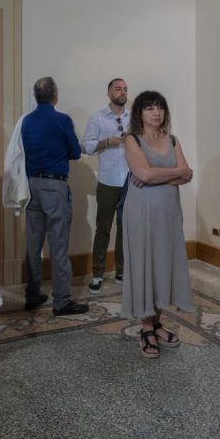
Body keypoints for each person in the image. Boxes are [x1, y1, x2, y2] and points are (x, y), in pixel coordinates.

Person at [120, 91, 193, 358]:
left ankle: (157, 322)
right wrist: (174, 173)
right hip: (141, 212)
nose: (156, 112)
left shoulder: (172, 140)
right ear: (139, 113)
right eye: (149, 108)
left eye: (160, 107)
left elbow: (186, 175)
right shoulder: (132, 139)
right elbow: (143, 173)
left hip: (169, 213)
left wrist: (156, 176)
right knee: (145, 265)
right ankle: (146, 328)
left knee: (164, 265)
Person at [21, 77, 88, 315]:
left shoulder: (27, 121)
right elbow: (75, 152)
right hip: (54, 185)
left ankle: (32, 295)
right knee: (58, 244)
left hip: (31, 185)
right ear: (55, 96)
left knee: (33, 243)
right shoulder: (62, 120)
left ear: (36, 96)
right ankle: (61, 301)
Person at [81, 78, 130, 293]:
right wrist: (107, 142)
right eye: (118, 89)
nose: (122, 92)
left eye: (125, 89)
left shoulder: (133, 118)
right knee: (103, 229)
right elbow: (86, 146)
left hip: (130, 180)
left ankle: (121, 271)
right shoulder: (97, 117)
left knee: (125, 228)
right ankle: (97, 274)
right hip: (108, 181)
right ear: (109, 93)